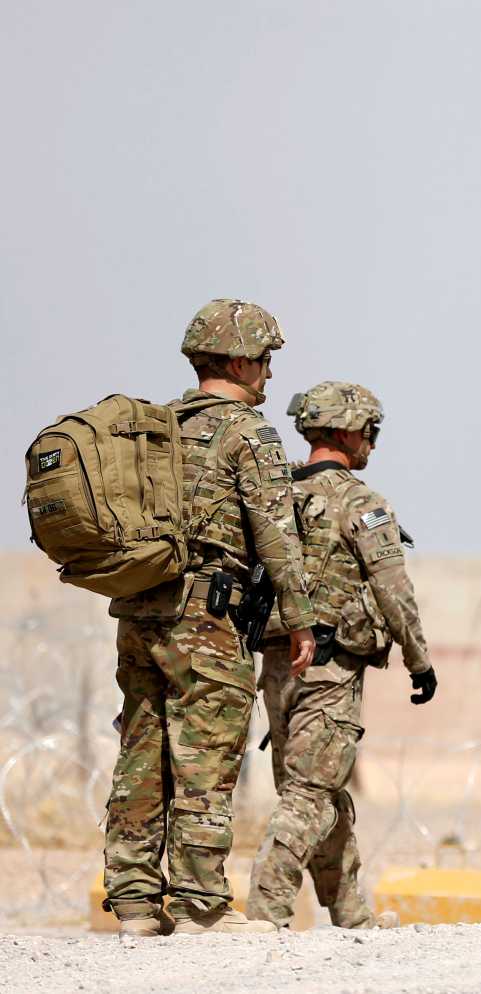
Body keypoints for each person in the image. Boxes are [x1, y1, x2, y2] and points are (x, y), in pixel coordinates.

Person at [105, 299, 315, 936]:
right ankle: (201, 905)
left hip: (139, 611)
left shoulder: (158, 426)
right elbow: (276, 534)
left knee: (142, 751)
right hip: (206, 616)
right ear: (237, 359)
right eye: (265, 361)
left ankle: (136, 902)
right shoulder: (247, 433)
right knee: (206, 754)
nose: (270, 377)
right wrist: (299, 618)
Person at [248, 382, 436, 929]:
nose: (372, 446)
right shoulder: (361, 503)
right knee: (311, 791)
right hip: (330, 668)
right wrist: (418, 659)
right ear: (345, 431)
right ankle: (267, 908)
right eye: (369, 433)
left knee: (316, 788)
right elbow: (392, 588)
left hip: (277, 664)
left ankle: (349, 910)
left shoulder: (272, 497)